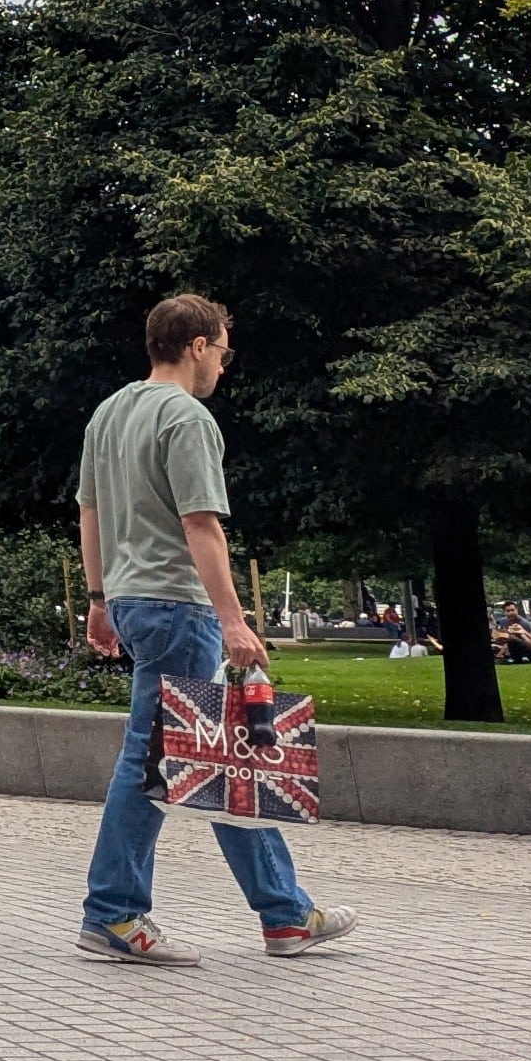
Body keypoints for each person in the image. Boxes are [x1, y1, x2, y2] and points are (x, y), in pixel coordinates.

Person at [75, 292, 353, 971]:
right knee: (158, 760)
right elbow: (202, 524)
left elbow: (90, 511)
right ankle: (113, 911)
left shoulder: (109, 413)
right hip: (178, 605)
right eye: (223, 353)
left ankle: (285, 913)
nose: (223, 369)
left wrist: (99, 599)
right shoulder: (186, 417)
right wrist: (233, 619)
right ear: (197, 344)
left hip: (135, 600)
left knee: (219, 756)